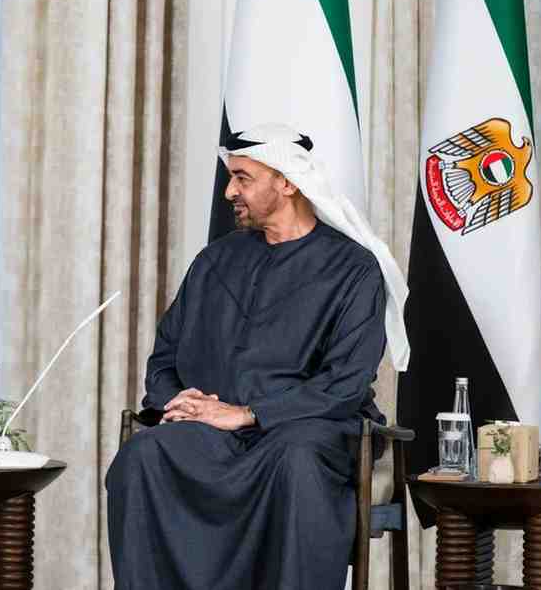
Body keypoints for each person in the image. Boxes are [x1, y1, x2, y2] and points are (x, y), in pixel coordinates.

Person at [106, 124, 409, 590]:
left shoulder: (353, 269)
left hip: (306, 429)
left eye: (242, 178)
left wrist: (247, 414)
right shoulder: (215, 260)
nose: (229, 192)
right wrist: (180, 402)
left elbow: (345, 384)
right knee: (142, 455)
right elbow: (164, 356)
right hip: (210, 432)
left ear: (287, 182)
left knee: (296, 460)